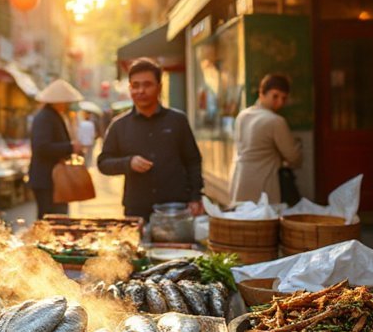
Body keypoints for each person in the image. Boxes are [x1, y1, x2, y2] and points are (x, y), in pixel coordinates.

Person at [98, 58, 204, 218]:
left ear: (159, 87)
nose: (140, 91)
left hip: (175, 208)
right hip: (137, 209)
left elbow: (193, 160)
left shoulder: (177, 120)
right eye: (135, 85)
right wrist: (128, 163)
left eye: (147, 85)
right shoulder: (119, 125)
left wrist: (196, 197)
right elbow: (103, 163)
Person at [229, 74, 302, 204]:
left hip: (239, 182)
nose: (279, 102)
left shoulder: (242, 115)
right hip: (264, 187)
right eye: (275, 96)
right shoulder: (276, 121)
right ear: (262, 93)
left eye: (283, 98)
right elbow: (293, 157)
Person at [27, 80, 84, 217]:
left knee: (56, 217)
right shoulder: (45, 117)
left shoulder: (52, 116)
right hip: (47, 179)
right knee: (51, 219)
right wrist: (70, 147)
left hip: (53, 179)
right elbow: (42, 147)